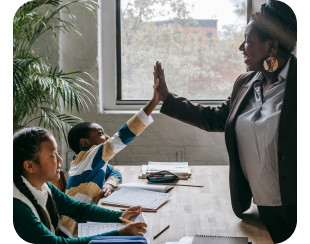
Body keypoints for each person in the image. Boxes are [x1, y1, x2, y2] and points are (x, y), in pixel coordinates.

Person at [153, 0, 296, 243]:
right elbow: (217, 118)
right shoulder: (245, 83)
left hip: (294, 212)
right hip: (257, 209)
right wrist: (167, 99)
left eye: (248, 40)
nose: (241, 46)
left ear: (271, 46)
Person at [13, 127, 147, 243]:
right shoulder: (17, 206)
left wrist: (118, 216)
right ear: (29, 166)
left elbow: (77, 209)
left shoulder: (44, 186)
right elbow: (56, 243)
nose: (60, 159)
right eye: (53, 155)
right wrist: (118, 234)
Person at [60, 84, 160, 236]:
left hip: (84, 220)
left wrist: (110, 184)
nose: (106, 137)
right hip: (74, 229)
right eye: (100, 133)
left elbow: (114, 171)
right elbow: (122, 136)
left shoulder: (87, 161)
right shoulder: (90, 155)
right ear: (85, 143)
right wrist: (154, 101)